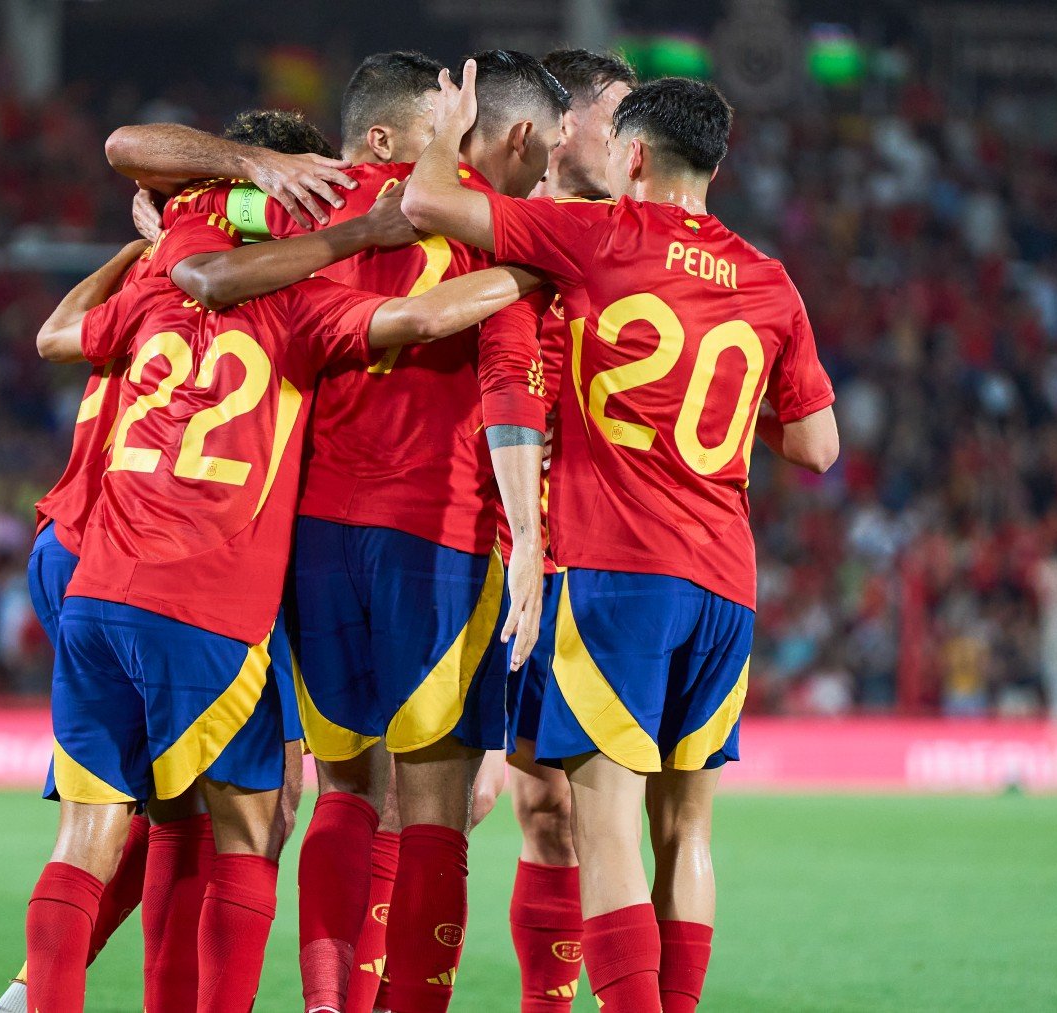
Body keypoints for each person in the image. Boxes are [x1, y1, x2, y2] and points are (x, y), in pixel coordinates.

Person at [107, 50, 564, 1013]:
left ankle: (325, 1004)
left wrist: (214, 190)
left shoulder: (316, 199)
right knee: (436, 806)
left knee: (344, 789)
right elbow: (505, 379)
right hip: (436, 529)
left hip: (311, 539)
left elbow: (174, 216)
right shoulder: (486, 222)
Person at [402, 65, 839, 1011]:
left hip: (618, 575)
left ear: (633, 156)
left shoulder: (598, 235)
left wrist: (452, 128)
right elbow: (818, 444)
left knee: (603, 825)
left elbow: (428, 199)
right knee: (688, 832)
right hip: (725, 584)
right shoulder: (769, 281)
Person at [0, 110, 421, 1013]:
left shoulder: (165, 267)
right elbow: (132, 153)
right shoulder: (277, 268)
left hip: (83, 546)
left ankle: (38, 991)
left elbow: (57, 334)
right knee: (248, 812)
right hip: (197, 556)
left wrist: (136, 248)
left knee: (137, 811)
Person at [476, 48, 638, 1013]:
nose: (630, 143)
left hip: (592, 554)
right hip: (479, 539)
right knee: (466, 795)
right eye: (616, 118)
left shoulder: (641, 239)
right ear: (563, 126)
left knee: (561, 808)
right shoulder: (504, 222)